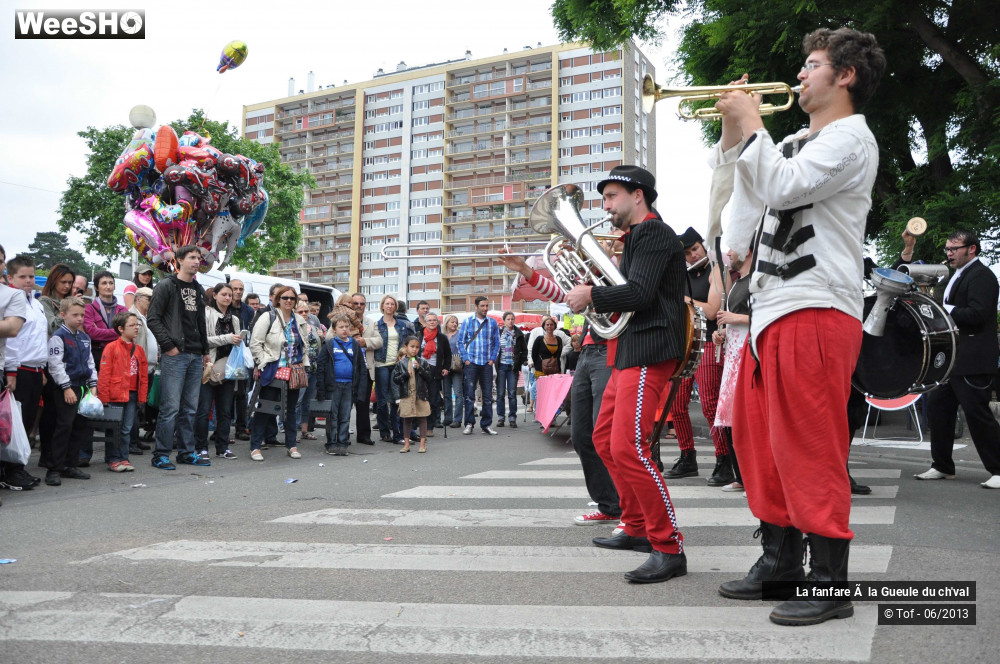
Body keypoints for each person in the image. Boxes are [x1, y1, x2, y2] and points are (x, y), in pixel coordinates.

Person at [711, 27, 886, 625]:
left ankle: (829, 585)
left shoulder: (850, 140)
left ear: (846, 76)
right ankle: (780, 562)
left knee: (811, 448)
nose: (800, 75)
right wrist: (737, 132)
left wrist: (753, 127)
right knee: (761, 447)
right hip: (770, 307)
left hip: (816, 304)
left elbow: (784, 188)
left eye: (813, 65)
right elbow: (749, 201)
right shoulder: (789, 140)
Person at [563, 164, 689, 585]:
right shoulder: (635, 237)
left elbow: (639, 293)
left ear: (639, 195)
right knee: (603, 440)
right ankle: (635, 526)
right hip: (628, 349)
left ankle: (668, 547)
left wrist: (591, 293)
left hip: (649, 349)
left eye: (612, 196)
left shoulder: (653, 231)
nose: (605, 205)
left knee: (629, 447)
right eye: (604, 198)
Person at [499, 251, 621, 528]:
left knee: (606, 435)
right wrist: (526, 271)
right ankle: (609, 501)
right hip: (590, 352)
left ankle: (620, 505)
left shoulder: (619, 270)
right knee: (581, 435)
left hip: (610, 351)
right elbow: (560, 294)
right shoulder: (593, 277)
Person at [915, 229, 1000, 489]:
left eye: (954, 248)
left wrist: (943, 308)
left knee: (977, 413)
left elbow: (978, 314)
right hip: (954, 358)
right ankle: (942, 465)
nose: (949, 253)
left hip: (974, 358)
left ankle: (998, 468)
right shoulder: (958, 275)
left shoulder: (982, 276)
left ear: (971, 249)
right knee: (939, 409)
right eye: (948, 249)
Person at [664, 228, 730, 485]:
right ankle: (687, 456)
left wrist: (684, 300)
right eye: (688, 253)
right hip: (684, 343)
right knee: (677, 404)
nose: (693, 255)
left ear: (703, 246)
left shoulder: (716, 268)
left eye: (695, 249)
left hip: (708, 342)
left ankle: (724, 460)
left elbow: (713, 310)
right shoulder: (681, 274)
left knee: (710, 404)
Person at [146, 246, 211, 470]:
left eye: (199, 258)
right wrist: (169, 346)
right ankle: (161, 454)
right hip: (176, 354)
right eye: (192, 257)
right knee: (170, 407)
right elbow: (152, 319)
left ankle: (186, 452)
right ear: (179, 260)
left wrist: (204, 351)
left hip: (195, 354)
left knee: (190, 408)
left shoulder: (199, 288)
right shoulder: (167, 285)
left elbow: (200, 322)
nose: (197, 261)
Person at [41, 297, 97, 486]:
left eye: (82, 315)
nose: (80, 318)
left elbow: (90, 362)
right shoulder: (58, 336)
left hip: (82, 387)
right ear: (63, 315)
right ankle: (54, 468)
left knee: (79, 426)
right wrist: (66, 387)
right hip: (67, 388)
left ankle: (69, 464)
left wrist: (93, 385)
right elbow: (55, 365)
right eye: (75, 315)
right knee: (63, 427)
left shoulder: (84, 337)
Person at [248, 285, 309, 461]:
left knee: (291, 410)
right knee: (265, 409)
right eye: (285, 298)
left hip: (293, 372)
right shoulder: (268, 316)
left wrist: (303, 364)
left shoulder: (299, 320)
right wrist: (263, 363)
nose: (289, 301)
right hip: (273, 370)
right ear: (278, 300)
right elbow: (255, 343)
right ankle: (255, 447)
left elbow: (302, 345)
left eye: (292, 298)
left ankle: (292, 445)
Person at [1, 256, 44, 491]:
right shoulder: (10, 302)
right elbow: (12, 341)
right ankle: (10, 470)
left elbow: (38, 340)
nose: (28, 281)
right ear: (10, 278)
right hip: (19, 370)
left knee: (26, 422)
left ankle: (17, 467)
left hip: (36, 369)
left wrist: (43, 368)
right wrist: (12, 371)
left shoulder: (35, 303)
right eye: (22, 277)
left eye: (31, 276)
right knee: (12, 423)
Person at [712, 248, 753, 492]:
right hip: (734, 354)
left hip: (747, 355)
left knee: (742, 416)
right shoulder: (739, 282)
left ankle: (748, 474)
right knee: (730, 416)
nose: (729, 253)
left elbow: (763, 316)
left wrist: (733, 318)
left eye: (733, 249)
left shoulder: (756, 281)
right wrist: (723, 332)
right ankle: (740, 474)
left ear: (747, 251)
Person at [194, 282, 242, 460]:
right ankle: (201, 447)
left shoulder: (234, 318)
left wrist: (238, 341)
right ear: (214, 295)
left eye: (230, 295)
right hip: (208, 366)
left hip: (229, 368)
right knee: (204, 409)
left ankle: (223, 447)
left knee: (225, 411)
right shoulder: (206, 313)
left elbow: (237, 343)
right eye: (224, 294)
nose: (228, 297)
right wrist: (228, 338)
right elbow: (203, 340)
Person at [96, 311, 147, 472]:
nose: (136, 328)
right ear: (121, 329)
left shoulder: (138, 349)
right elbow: (104, 373)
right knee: (114, 428)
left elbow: (143, 376)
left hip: (132, 394)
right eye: (132, 325)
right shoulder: (111, 348)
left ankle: (123, 458)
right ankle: (113, 458)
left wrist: (142, 396)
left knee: (126, 428)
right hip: (115, 393)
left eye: (137, 324)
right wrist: (103, 396)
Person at [315, 314, 363, 456]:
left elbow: (361, 367)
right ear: (334, 330)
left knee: (345, 415)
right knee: (333, 416)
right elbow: (321, 367)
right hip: (333, 386)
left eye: (347, 327)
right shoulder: (329, 345)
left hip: (349, 386)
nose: (344, 329)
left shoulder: (354, 344)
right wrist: (321, 389)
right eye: (341, 327)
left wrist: (360, 388)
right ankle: (331, 443)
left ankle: (343, 442)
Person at [458, 296, 500, 435]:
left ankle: (486, 425)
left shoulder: (492, 323)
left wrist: (492, 358)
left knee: (487, 396)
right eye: (482, 306)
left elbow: (496, 342)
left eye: (487, 306)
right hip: (472, 363)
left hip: (486, 363)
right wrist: (465, 359)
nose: (485, 308)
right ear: (476, 306)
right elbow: (460, 341)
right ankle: (469, 423)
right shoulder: (468, 322)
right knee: (470, 395)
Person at [373, 294, 412, 444]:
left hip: (397, 365)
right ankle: (384, 431)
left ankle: (397, 431)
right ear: (382, 306)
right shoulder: (377, 325)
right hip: (381, 364)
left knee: (397, 399)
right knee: (382, 399)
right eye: (387, 304)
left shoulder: (401, 324)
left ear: (396, 307)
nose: (389, 306)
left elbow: (407, 344)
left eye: (392, 304)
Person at [347, 292, 378, 446]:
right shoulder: (343, 320)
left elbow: (379, 341)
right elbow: (330, 338)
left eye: (362, 304)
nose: (359, 306)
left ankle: (364, 435)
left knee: (364, 404)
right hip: (346, 368)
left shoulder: (371, 323)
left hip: (365, 368)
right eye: (355, 303)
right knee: (345, 404)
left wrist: (365, 341)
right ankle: (343, 434)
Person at [129, 286, 157, 453]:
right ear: (138, 299)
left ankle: (135, 439)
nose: (151, 302)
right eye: (148, 299)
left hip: (149, 367)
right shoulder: (132, 317)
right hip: (138, 368)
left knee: (140, 405)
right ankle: (131, 442)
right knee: (134, 406)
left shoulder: (146, 317)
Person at [392, 336, 432, 453]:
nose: (414, 349)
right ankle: (406, 444)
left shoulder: (423, 362)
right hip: (407, 395)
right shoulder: (401, 363)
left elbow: (429, 378)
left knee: (422, 418)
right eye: (412, 347)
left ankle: (422, 444)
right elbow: (396, 379)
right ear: (406, 347)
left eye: (417, 347)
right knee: (407, 419)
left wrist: (420, 369)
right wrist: (405, 375)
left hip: (420, 394)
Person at [83, 270, 127, 366]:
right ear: (96, 287)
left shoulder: (123, 309)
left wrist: (99, 331)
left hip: (119, 356)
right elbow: (91, 333)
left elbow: (127, 332)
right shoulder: (89, 309)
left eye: (111, 283)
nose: (108, 286)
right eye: (104, 283)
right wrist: (118, 331)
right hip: (97, 357)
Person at [295, 300, 322, 443]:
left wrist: (321, 336)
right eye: (301, 312)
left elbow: (319, 346)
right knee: (297, 401)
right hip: (300, 369)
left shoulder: (312, 326)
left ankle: (304, 430)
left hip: (314, 368)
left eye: (306, 311)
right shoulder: (293, 327)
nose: (304, 314)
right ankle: (293, 431)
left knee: (308, 401)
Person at [420, 312, 451, 433]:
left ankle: (429, 426)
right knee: (420, 398)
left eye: (434, 320)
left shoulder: (442, 337)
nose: (432, 322)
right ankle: (417, 425)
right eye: (430, 320)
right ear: (425, 322)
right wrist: (413, 363)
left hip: (435, 369)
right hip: (420, 369)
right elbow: (411, 351)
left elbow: (448, 355)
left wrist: (446, 368)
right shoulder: (419, 335)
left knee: (433, 399)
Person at [495, 311, 526, 428]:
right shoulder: (499, 333)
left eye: (512, 319)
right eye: (508, 319)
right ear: (504, 321)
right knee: (500, 393)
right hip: (501, 366)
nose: (510, 321)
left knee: (512, 394)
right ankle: (500, 418)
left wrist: (521, 362)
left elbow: (524, 350)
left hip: (512, 367)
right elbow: (494, 348)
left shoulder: (518, 333)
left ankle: (512, 418)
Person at [39, 263, 77, 336]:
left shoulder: (71, 300)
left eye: (70, 282)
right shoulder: (44, 301)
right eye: (63, 282)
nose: (67, 286)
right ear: (54, 281)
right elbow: (52, 328)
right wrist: (67, 307)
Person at [442, 314, 465, 428]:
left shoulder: (460, 334)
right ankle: (448, 417)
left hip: (457, 365)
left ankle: (457, 419)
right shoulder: (442, 335)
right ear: (446, 323)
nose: (454, 324)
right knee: (446, 393)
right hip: (445, 365)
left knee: (458, 393)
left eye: (456, 322)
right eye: (452, 322)